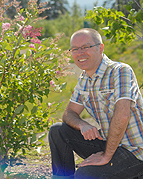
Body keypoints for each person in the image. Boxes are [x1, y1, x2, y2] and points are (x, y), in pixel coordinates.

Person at [48, 28, 143, 179]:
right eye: (75, 49)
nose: (80, 53)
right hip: (110, 144)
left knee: (86, 175)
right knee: (58, 131)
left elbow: (123, 115)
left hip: (136, 153)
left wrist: (106, 156)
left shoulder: (120, 71)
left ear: (100, 48)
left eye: (85, 47)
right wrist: (82, 125)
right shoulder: (85, 79)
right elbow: (69, 114)